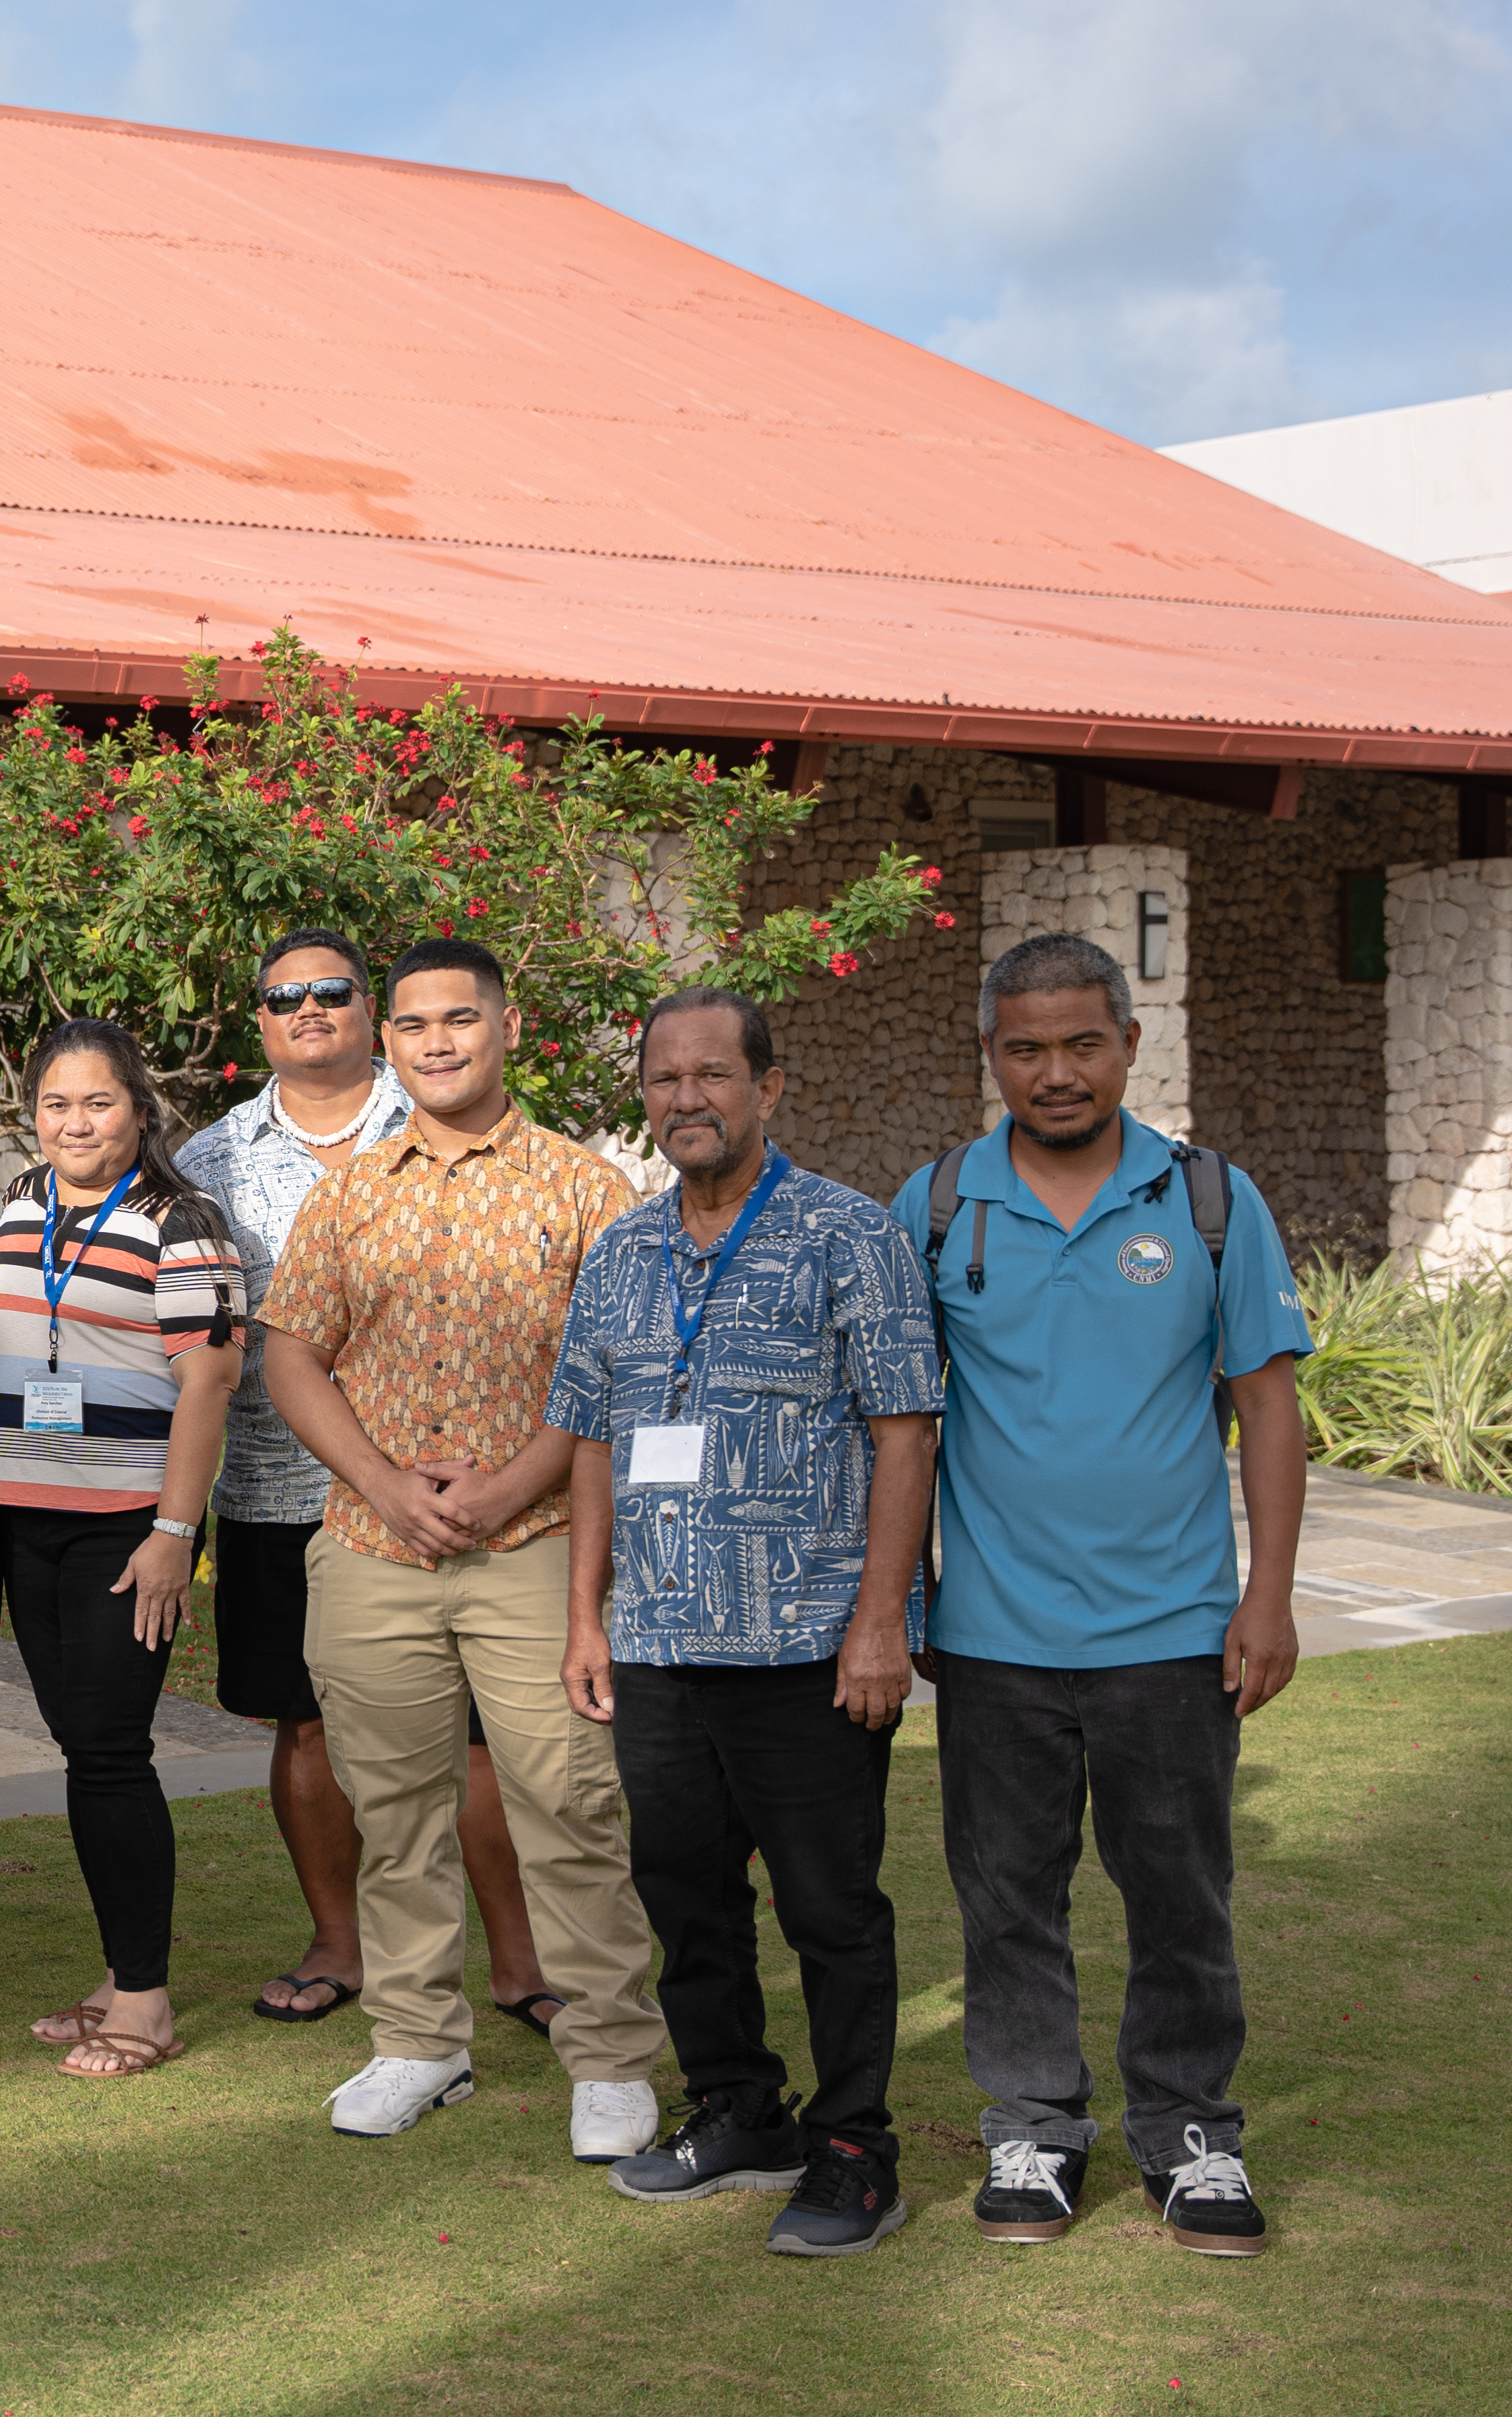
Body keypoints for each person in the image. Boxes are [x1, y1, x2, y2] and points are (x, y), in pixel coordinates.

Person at [896, 934, 1308, 2259]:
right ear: (990, 1055)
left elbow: (1268, 1404)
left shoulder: (1209, 1202)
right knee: (1009, 1897)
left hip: (1175, 1633)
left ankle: (1193, 2139)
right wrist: (898, 1600)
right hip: (993, 1638)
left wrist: (1272, 1600)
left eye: (1083, 1043)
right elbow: (897, 1420)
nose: (1056, 1071)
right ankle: (1035, 2127)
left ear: (1131, 1043)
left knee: (1180, 1896)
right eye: (1026, 1047)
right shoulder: (940, 1202)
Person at [251, 934, 666, 2159]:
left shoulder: (588, 1191)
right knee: (395, 1812)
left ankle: (610, 2057)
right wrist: (382, 1480)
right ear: (389, 1041)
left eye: (460, 1022)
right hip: (373, 1550)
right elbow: (291, 1352)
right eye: (416, 1025)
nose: (438, 1042)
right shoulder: (352, 1191)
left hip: (534, 1545)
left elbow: (615, 1376)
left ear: (508, 1027)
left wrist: (505, 1490)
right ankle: (418, 2043)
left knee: (571, 1804)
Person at [551, 989, 943, 2257]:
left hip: (808, 1645)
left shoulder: (850, 1236)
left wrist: (881, 1621)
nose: (686, 1101)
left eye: (713, 1076)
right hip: (659, 1643)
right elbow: (597, 1446)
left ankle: (850, 2149)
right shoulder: (621, 1251)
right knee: (685, 1894)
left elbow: (904, 1432)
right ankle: (736, 2108)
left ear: (769, 1088)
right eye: (665, 1080)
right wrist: (587, 1618)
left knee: (830, 1908)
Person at [176, 928, 556, 2032]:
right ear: (259, 1019)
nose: (308, 1009)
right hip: (277, 1492)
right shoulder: (212, 1160)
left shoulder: (443, 1120)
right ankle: (340, 1943)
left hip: (461, 1493)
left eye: (332, 991)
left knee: (487, 1740)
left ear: (372, 1016)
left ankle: (521, 1959)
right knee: (307, 1730)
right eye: (283, 995)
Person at [0, 1020, 242, 2081]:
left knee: (110, 1751)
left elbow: (212, 1384)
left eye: (98, 1102)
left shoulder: (182, 1224)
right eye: (56, 1103)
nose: (75, 1122)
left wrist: (174, 1535)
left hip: (126, 1533)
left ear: (139, 1108)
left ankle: (146, 2001)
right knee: (81, 1748)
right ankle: (117, 1975)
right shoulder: (16, 1209)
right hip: (23, 1521)